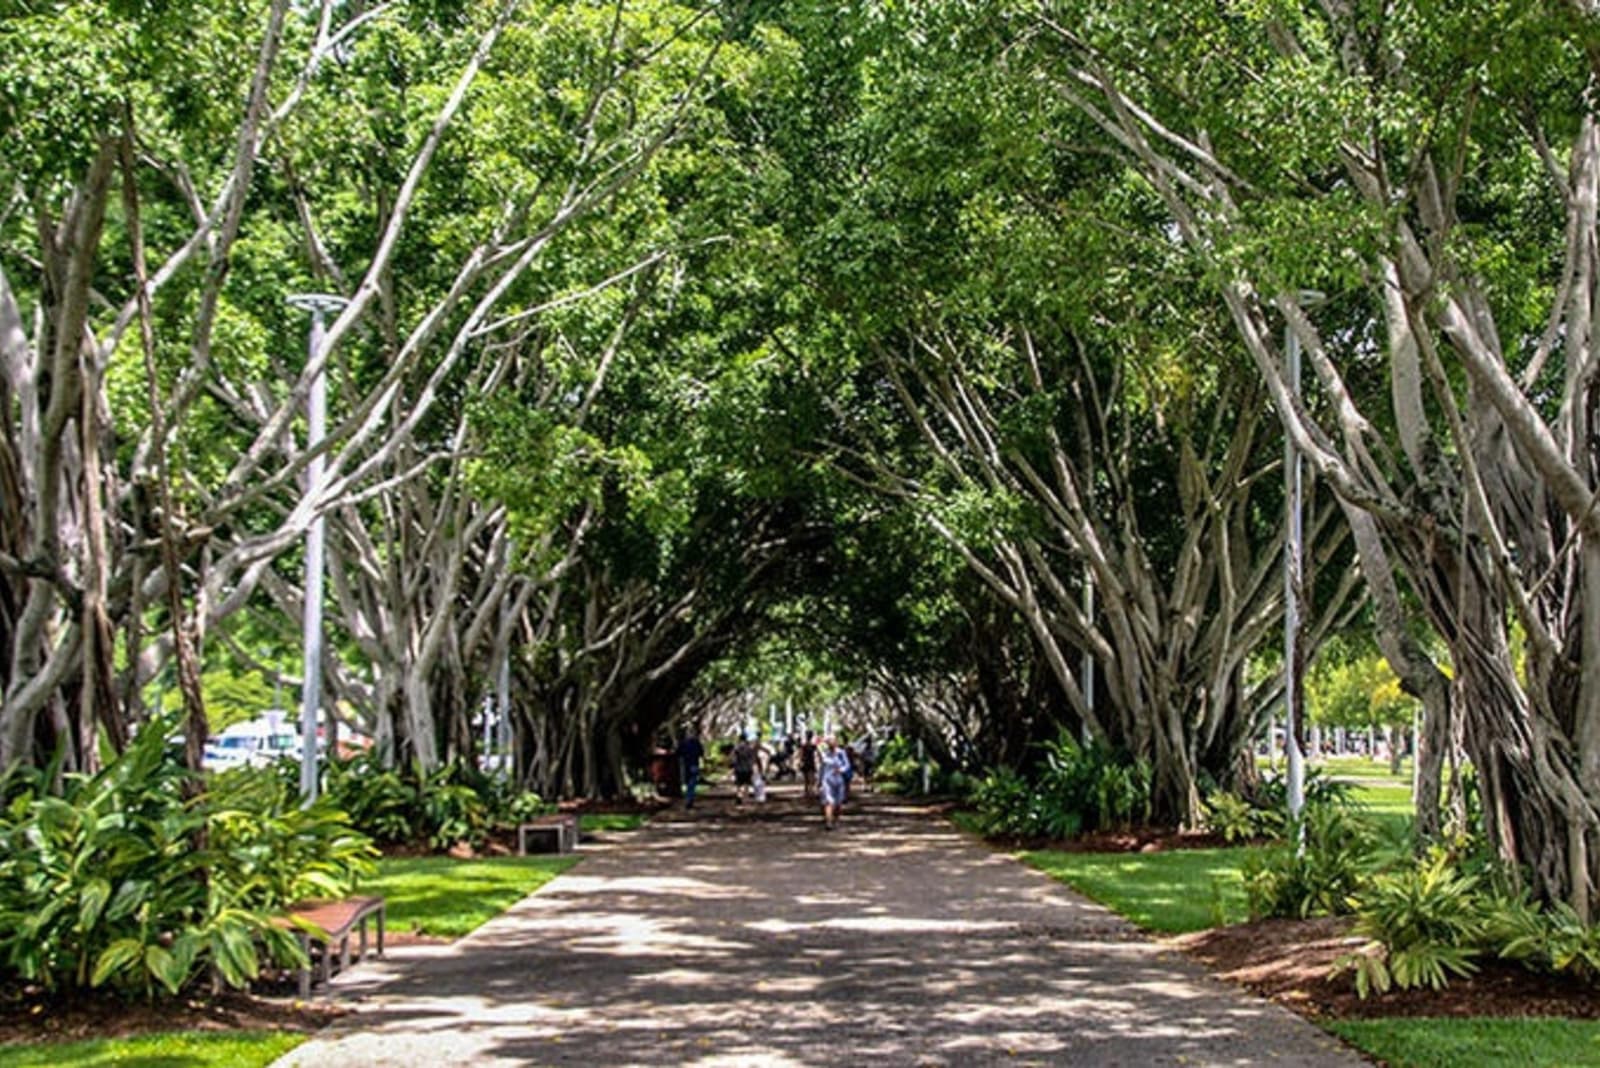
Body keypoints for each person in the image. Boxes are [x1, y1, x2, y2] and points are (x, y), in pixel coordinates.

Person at [818, 735, 851, 830]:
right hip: (827, 780)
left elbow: (847, 765)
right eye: (829, 742)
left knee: (838, 803)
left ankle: (836, 820)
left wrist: (841, 770)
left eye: (832, 741)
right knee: (828, 802)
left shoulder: (841, 753)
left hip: (839, 780)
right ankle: (828, 822)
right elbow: (822, 768)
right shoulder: (825, 754)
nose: (831, 743)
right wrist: (820, 781)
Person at [676, 729, 704, 809]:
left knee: (688, 783)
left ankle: (689, 799)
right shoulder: (696, 743)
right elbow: (701, 753)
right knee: (692, 783)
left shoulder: (683, 743)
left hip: (685, 765)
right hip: (693, 764)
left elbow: (678, 753)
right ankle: (689, 799)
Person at [731, 735, 757, 803]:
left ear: (739, 739)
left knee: (739, 784)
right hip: (748, 768)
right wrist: (753, 767)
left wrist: (733, 767)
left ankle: (739, 795)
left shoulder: (736, 748)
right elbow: (753, 760)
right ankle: (745, 797)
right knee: (747, 783)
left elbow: (733, 759)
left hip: (738, 769)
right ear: (745, 740)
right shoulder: (750, 748)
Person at [799, 731, 818, 798]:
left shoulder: (803, 745)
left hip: (805, 762)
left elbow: (801, 754)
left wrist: (800, 762)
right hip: (811, 762)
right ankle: (811, 791)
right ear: (811, 737)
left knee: (806, 778)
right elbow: (817, 754)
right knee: (811, 777)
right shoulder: (813, 745)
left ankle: (807, 791)